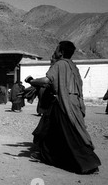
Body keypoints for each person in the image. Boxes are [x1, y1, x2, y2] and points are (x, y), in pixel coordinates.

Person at [28, 41, 101, 174]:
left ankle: (89, 163)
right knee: (54, 131)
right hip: (75, 102)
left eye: (56, 49)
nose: (55, 51)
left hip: (64, 102)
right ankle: (47, 156)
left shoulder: (60, 64)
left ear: (61, 52)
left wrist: (32, 81)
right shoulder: (73, 66)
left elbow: (47, 80)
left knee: (71, 133)